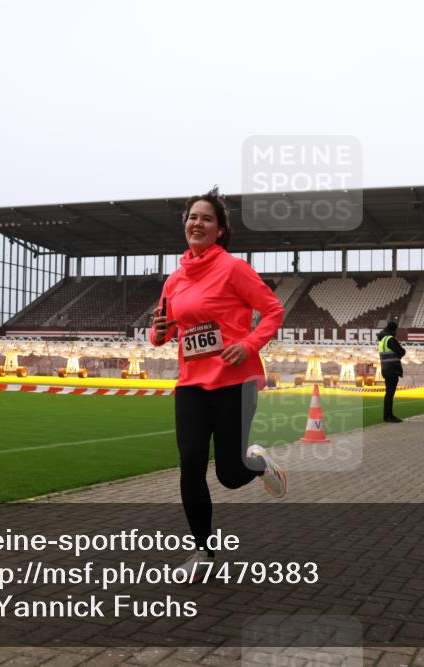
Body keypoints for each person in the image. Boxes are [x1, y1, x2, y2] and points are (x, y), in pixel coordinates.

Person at [150, 188, 286, 581]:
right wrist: (158, 332)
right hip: (192, 383)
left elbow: (273, 311)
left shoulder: (233, 269)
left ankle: (258, 463)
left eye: (207, 218)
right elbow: (163, 330)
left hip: (234, 382)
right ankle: (204, 552)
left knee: (229, 473)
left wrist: (247, 344)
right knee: (190, 463)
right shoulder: (174, 279)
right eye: (192, 217)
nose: (197, 223)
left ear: (220, 230)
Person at [377, 320, 406, 423]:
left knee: (388, 394)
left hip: (385, 369)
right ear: (393, 330)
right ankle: (388, 416)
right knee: (390, 394)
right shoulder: (390, 339)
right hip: (392, 369)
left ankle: (387, 415)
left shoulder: (382, 340)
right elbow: (401, 351)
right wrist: (399, 355)